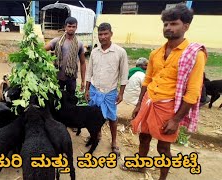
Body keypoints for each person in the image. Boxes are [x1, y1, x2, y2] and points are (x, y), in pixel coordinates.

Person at [121, 4, 207, 180]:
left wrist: (176, 119)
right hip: (149, 101)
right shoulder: (156, 53)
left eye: (173, 23)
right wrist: (139, 104)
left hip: (169, 108)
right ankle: (140, 166)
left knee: (163, 148)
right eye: (166, 24)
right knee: (143, 138)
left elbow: (193, 91)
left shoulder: (194, 55)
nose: (168, 28)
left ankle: (162, 178)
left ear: (186, 26)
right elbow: (147, 80)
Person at [85, 22, 129, 157]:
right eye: (100, 34)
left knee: (112, 117)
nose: (103, 37)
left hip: (110, 91)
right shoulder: (94, 52)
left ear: (111, 34)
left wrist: (121, 93)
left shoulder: (120, 52)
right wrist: (86, 90)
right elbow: (89, 72)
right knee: (94, 115)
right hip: (94, 89)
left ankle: (114, 141)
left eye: (105, 34)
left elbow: (124, 74)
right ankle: (96, 135)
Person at [44, 17, 86, 96]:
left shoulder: (79, 44)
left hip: (72, 78)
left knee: (70, 100)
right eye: (69, 26)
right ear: (65, 27)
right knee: (57, 99)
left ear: (76, 28)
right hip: (58, 77)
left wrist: (83, 80)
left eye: (73, 27)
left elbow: (83, 63)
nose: (71, 29)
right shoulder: (57, 41)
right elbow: (43, 50)